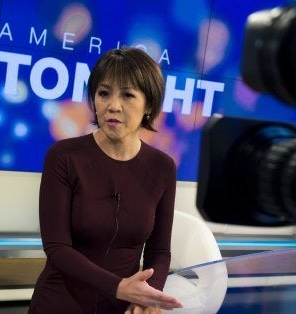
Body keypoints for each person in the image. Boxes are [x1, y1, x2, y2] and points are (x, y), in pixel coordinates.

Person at [29, 47, 183, 314]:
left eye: (127, 95)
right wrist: (119, 286)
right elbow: (57, 247)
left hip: (123, 307)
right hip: (61, 302)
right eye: (104, 93)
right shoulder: (64, 156)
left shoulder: (163, 168)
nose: (113, 105)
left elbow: (159, 252)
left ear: (149, 105)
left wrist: (148, 296)